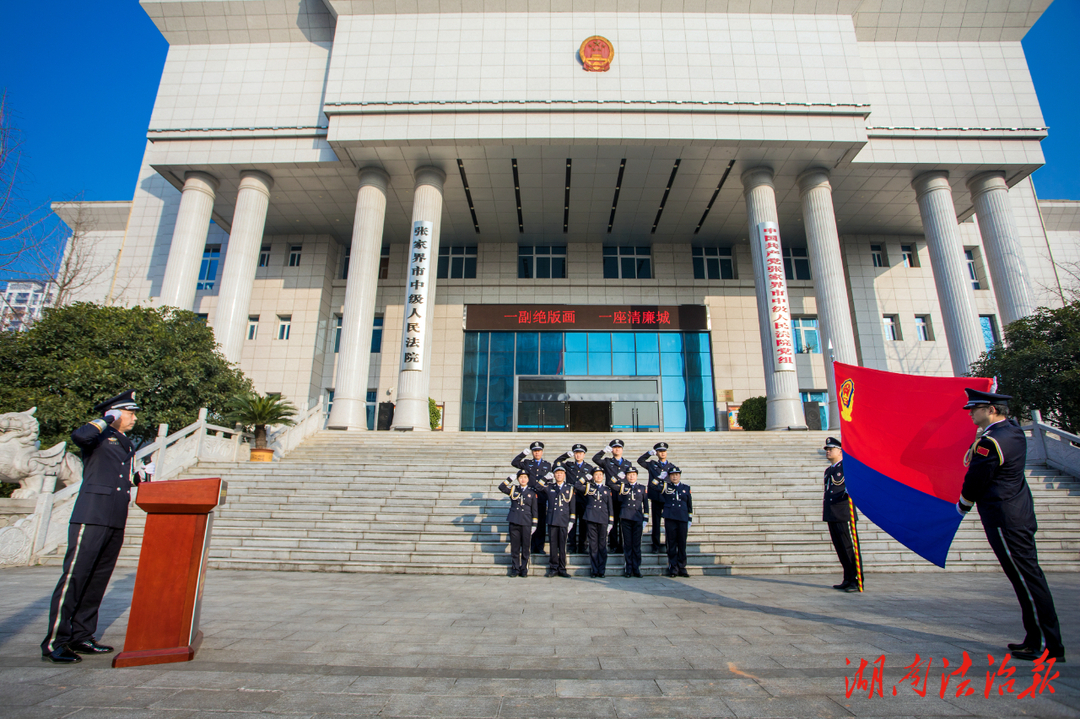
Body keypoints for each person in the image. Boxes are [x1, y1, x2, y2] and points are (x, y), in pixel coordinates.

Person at [42, 390, 153, 664]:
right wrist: (105, 420)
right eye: (130, 412)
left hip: (115, 516)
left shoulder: (126, 443)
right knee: (76, 577)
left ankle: (81, 635)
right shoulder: (97, 435)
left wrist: (140, 477)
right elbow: (80, 437)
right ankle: (55, 641)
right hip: (91, 514)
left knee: (97, 580)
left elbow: (120, 477)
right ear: (113, 413)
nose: (134, 417)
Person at [956, 388, 1065, 662]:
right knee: (1025, 578)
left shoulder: (990, 442)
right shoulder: (1011, 432)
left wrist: (963, 504)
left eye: (975, 408)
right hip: (1017, 513)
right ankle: (1034, 638)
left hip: (1004, 517)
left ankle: (1050, 645)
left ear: (991, 409)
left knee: (1027, 580)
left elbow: (977, 478)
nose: (970, 412)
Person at [822, 437, 863, 593]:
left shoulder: (848, 468)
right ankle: (847, 578)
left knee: (849, 547)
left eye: (830, 449)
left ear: (840, 451)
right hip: (832, 513)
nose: (827, 451)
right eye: (826, 449)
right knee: (840, 548)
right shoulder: (829, 470)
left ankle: (856, 580)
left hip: (844, 513)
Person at [512, 441, 552, 555]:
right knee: (528, 523)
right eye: (535, 451)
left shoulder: (547, 465)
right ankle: (528, 545)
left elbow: (549, 483)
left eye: (539, 451)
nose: (537, 453)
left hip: (541, 497)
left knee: (540, 523)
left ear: (542, 452)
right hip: (528, 498)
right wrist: (523, 454)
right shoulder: (527, 463)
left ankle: (539, 546)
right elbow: (514, 462)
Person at [574, 467, 613, 578]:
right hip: (591, 518)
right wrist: (585, 478)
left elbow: (610, 507)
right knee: (593, 546)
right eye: (596, 475)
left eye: (600, 474)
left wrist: (611, 521)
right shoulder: (589, 487)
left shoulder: (607, 490)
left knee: (602, 546)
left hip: (603, 519)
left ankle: (602, 570)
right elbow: (576, 485)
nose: (598, 476)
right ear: (593, 477)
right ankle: (594, 570)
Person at [652, 466, 692, 577]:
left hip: (682, 518)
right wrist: (660, 478)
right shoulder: (666, 487)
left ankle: (682, 567)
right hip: (670, 518)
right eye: (672, 475)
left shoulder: (686, 488)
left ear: (680, 475)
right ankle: (673, 566)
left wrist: (690, 518)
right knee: (671, 543)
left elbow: (689, 505)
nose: (675, 477)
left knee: (682, 543)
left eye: (677, 474)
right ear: (669, 476)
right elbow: (652, 485)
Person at [554, 443, 594, 553]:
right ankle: (571, 546)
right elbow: (556, 463)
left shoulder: (589, 468)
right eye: (576, 453)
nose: (578, 455)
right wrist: (566, 455)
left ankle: (582, 546)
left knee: (583, 523)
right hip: (570, 498)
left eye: (580, 453)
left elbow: (591, 484)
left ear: (584, 455)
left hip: (584, 499)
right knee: (571, 523)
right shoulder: (568, 465)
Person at [498, 469, 539, 578]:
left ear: (528, 479)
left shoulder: (531, 492)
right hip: (514, 520)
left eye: (525, 477)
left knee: (526, 547)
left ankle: (524, 568)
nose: (523, 479)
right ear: (518, 479)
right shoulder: (513, 489)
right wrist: (509, 479)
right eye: (520, 477)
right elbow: (501, 487)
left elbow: (534, 510)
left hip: (526, 522)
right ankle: (515, 568)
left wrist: (534, 524)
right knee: (515, 547)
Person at [593, 439, 631, 553]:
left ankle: (622, 545)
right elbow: (595, 459)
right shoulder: (607, 461)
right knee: (612, 521)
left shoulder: (627, 463)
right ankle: (613, 544)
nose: (617, 449)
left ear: (622, 449)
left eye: (619, 448)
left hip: (624, 495)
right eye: (614, 448)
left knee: (623, 521)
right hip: (611, 496)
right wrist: (603, 451)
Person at [612, 466, 649, 578]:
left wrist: (645, 518)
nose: (631, 476)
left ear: (637, 476)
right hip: (626, 517)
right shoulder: (622, 487)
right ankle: (628, 568)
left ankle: (636, 568)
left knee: (636, 545)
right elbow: (610, 483)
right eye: (629, 474)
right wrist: (618, 476)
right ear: (626, 476)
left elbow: (646, 505)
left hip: (637, 518)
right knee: (627, 544)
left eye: (633, 474)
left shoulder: (642, 488)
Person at [540, 465, 575, 578]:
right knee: (553, 546)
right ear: (554, 475)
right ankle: (553, 568)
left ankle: (562, 568)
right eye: (557, 473)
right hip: (552, 520)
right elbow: (537, 486)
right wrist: (545, 478)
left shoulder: (569, 488)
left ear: (564, 475)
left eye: (561, 473)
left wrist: (572, 520)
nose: (559, 475)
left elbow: (572, 506)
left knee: (562, 546)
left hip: (564, 520)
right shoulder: (550, 487)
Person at [638, 441, 673, 552]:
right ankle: (656, 545)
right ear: (656, 453)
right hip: (656, 497)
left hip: (667, 497)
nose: (662, 453)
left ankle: (669, 544)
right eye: (660, 451)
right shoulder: (652, 464)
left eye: (664, 451)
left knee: (669, 523)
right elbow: (640, 461)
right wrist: (648, 453)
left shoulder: (671, 467)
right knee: (656, 523)